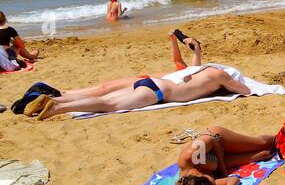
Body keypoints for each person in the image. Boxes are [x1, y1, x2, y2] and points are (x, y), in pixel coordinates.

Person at [17, 65, 251, 120]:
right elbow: (245, 91)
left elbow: (192, 67)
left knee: (104, 96)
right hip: (158, 94)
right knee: (106, 104)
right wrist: (233, 82)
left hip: (152, 83)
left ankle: (55, 99)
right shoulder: (221, 76)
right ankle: (58, 107)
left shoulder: (202, 71)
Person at [169, 126, 280, 185]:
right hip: (219, 160)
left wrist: (222, 171)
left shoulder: (190, 158)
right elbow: (234, 180)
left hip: (219, 141)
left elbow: (210, 140)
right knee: (265, 154)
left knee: (262, 143)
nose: (214, 180)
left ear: (200, 175)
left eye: (212, 178)